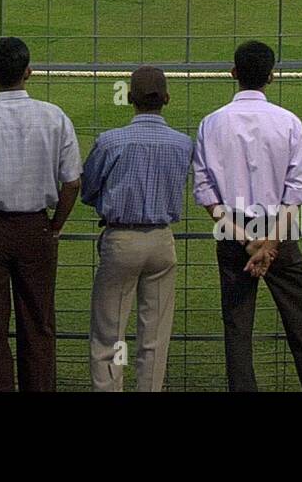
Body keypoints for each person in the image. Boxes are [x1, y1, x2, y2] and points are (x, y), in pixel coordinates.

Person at [193, 41, 302, 392]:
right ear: (271, 76)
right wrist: (270, 242)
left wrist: (245, 240)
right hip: (279, 229)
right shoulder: (288, 122)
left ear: (234, 73)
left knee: (238, 327)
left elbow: (206, 192)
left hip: (232, 230)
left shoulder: (211, 124)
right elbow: (295, 189)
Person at [0, 37, 81, 392]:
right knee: (38, 323)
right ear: (29, 72)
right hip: (35, 227)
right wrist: (54, 227)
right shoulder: (54, 117)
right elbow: (71, 182)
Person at [82, 66, 193, 392]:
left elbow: (88, 190)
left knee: (109, 333)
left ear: (129, 97)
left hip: (122, 240)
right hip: (162, 240)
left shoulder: (111, 141)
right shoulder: (182, 143)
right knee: (155, 335)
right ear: (167, 99)